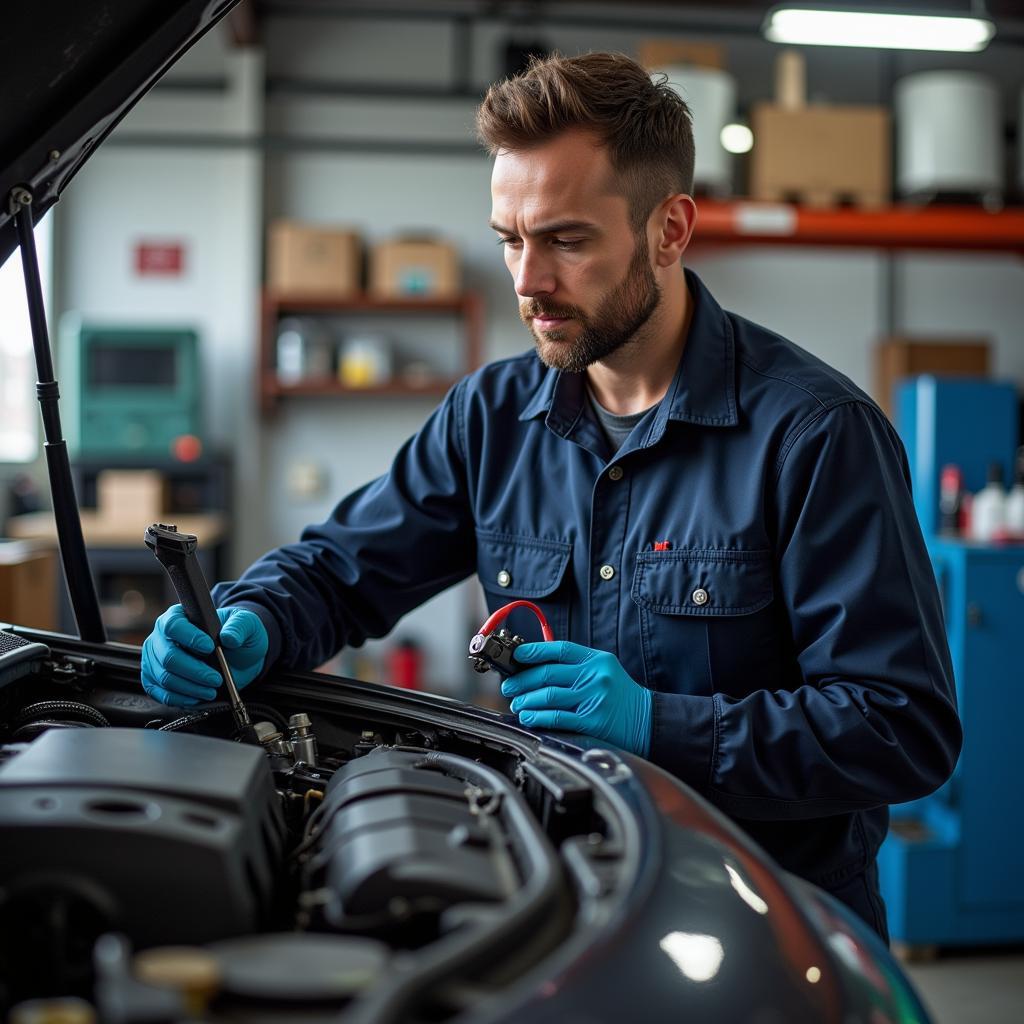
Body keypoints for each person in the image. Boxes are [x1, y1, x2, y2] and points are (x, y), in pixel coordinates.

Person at [140, 52, 961, 941]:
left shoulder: (814, 434)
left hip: (767, 926)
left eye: (567, 240)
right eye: (509, 239)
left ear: (670, 230)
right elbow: (342, 572)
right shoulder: (491, 418)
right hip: (558, 904)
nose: (528, 281)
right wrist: (250, 620)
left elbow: (900, 726)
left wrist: (661, 725)